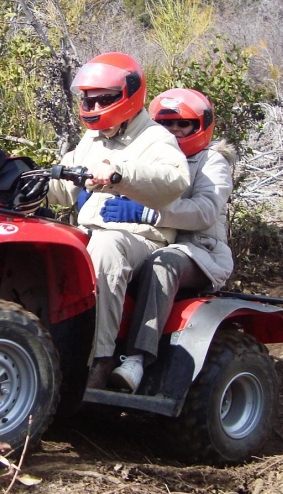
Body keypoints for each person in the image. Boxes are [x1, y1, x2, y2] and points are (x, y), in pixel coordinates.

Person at [47, 53, 190, 390]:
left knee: (107, 245)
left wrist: (120, 174)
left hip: (141, 239)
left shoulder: (156, 138)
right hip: (92, 231)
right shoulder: (92, 140)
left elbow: (175, 180)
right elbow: (63, 190)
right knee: (46, 243)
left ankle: (101, 357)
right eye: (88, 98)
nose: (94, 105)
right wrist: (23, 178)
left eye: (103, 99)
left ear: (128, 95)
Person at [101, 88, 237, 393]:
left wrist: (147, 214)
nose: (174, 130)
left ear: (200, 125)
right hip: (150, 241)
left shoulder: (211, 162)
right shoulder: (144, 153)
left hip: (198, 252)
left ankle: (135, 359)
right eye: (166, 123)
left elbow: (204, 211)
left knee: (164, 263)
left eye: (183, 123)